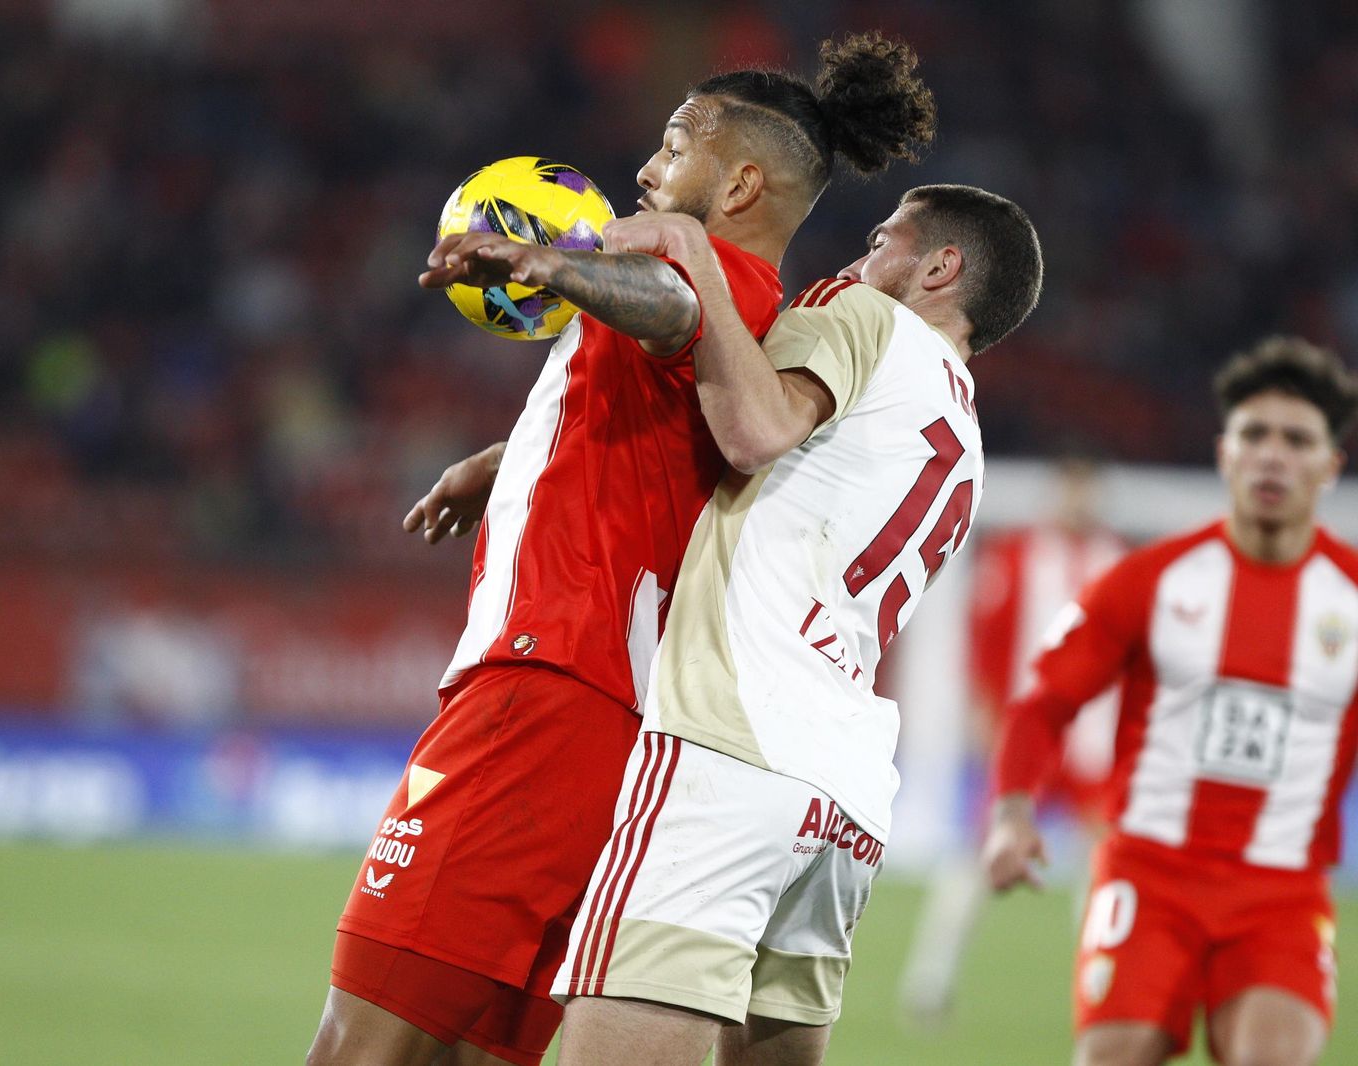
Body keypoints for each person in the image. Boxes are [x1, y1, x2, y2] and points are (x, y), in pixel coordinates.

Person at [306, 33, 937, 1066]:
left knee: (361, 1046)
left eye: (675, 144)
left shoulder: (696, 278)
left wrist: (558, 263)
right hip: (618, 726)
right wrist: (508, 461)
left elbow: (672, 309)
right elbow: (662, 409)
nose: (646, 168)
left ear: (739, 184)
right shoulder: (758, 327)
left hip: (543, 693)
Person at [549, 184, 1043, 1065]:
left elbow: (752, 431)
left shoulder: (861, 316)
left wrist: (693, 251)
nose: (859, 258)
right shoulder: (964, 440)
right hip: (846, 794)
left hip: (732, 746)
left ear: (940, 268)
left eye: (882, 240)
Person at [983, 336, 1358, 1066]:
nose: (1273, 456)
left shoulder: (1348, 598)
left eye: (1296, 441)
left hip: (1281, 894)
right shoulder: (1150, 580)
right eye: (1255, 435)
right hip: (1149, 876)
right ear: (1225, 454)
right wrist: (1011, 815)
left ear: (1330, 466)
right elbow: (1043, 703)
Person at [898, 453, 1126, 1027]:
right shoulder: (1016, 555)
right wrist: (987, 722)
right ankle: (930, 980)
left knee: (1105, 863)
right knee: (981, 853)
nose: (1078, 502)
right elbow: (985, 645)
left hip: (1093, 745)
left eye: (1086, 491)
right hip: (1027, 738)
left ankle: (1101, 990)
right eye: (1071, 489)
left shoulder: (1117, 562)